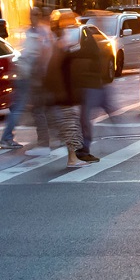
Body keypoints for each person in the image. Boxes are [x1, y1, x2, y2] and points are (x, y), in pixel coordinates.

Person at [2, 6, 54, 153]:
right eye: (32, 14)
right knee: (28, 108)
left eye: (35, 14)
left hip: (32, 75)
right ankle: (43, 142)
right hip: (29, 75)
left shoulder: (39, 32)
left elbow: (41, 54)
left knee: (32, 108)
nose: (33, 17)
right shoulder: (33, 32)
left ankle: (46, 140)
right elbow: (35, 54)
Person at [44, 12, 88, 168]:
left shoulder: (63, 45)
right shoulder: (60, 45)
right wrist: (60, 91)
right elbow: (54, 70)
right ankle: (72, 159)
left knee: (72, 126)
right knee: (70, 126)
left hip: (66, 93)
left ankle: (73, 157)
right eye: (71, 23)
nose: (74, 25)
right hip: (64, 95)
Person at [75, 17, 115, 163]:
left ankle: (82, 149)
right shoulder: (81, 45)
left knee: (83, 119)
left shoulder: (88, 47)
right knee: (82, 119)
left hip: (89, 87)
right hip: (87, 88)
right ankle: (80, 149)